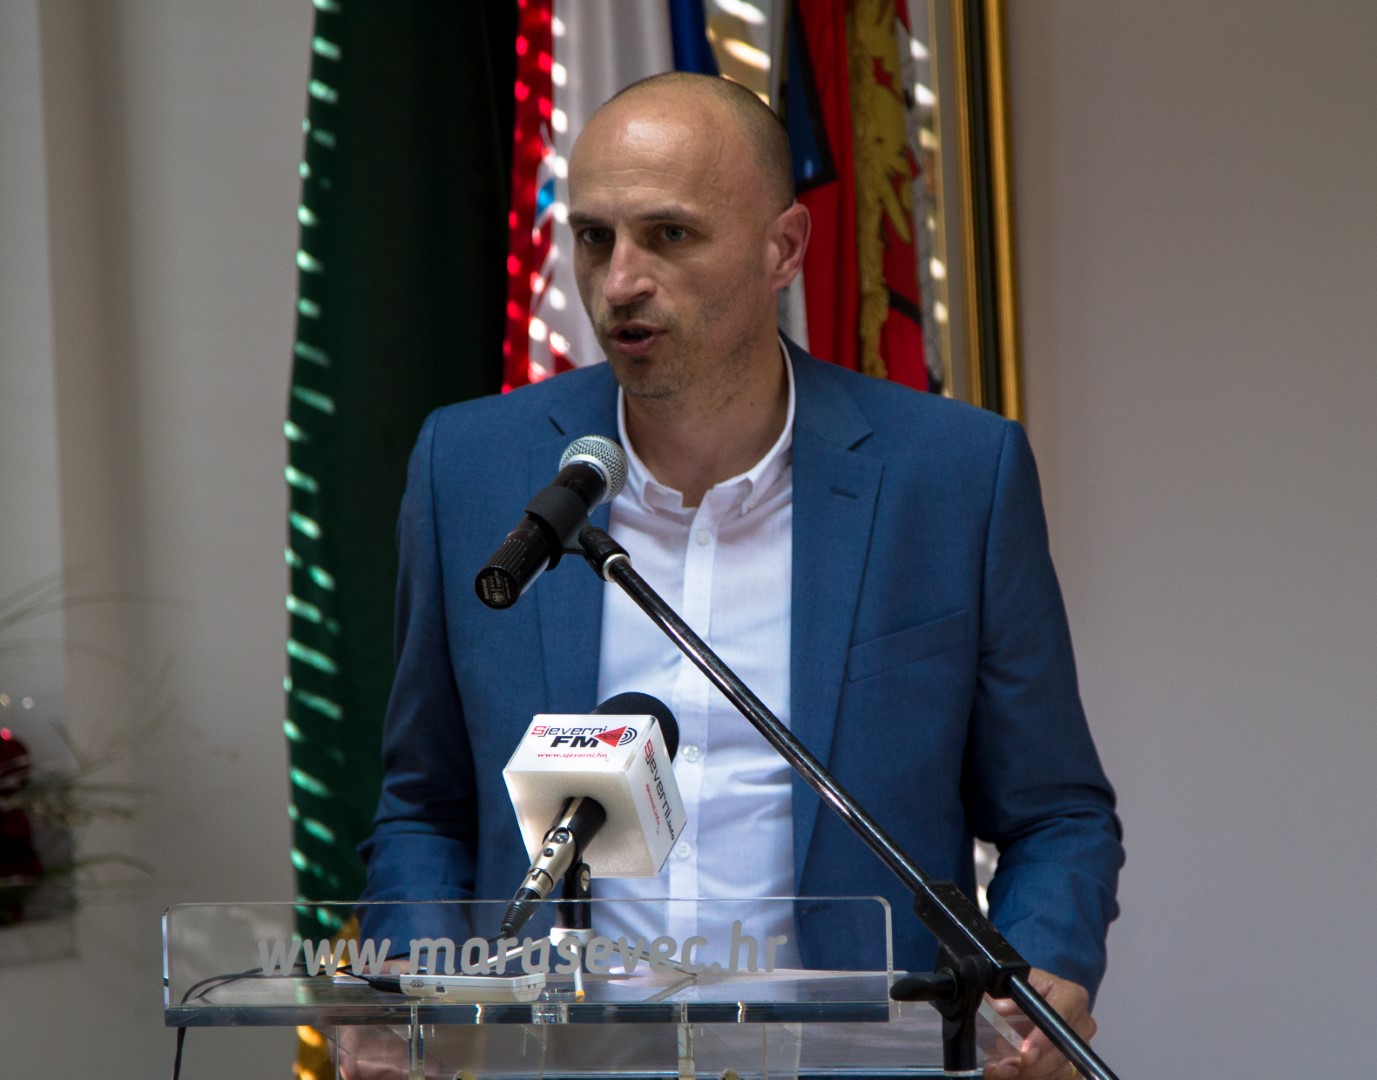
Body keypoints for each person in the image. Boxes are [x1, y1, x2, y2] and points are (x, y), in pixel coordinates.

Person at [356, 73, 1121, 1080]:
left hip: (859, 1062)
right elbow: (425, 802)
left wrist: (1044, 971)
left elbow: (1056, 814)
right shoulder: (472, 469)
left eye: (669, 235)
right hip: (568, 1061)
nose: (620, 281)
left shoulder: (952, 478)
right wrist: (410, 981)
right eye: (594, 238)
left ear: (784, 249)